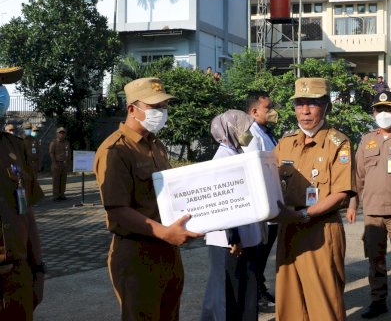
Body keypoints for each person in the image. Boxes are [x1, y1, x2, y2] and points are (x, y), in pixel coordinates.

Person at [94, 77, 202, 321]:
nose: (162, 113)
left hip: (168, 250)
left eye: (164, 106)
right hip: (137, 253)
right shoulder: (116, 150)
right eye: (155, 107)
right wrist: (164, 232)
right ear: (132, 109)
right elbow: (117, 209)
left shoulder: (155, 145)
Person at [273, 77, 356, 320]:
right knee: (289, 303)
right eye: (300, 103)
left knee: (323, 305)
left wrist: (304, 214)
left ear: (326, 106)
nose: (305, 111)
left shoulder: (337, 143)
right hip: (288, 230)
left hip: (319, 230)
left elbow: (341, 192)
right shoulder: (285, 143)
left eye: (313, 103)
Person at [350, 91, 391, 321]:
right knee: (375, 259)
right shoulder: (366, 139)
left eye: (389, 109)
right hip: (372, 211)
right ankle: (378, 301)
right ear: (374, 112)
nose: (384, 114)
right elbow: (358, 176)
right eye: (380, 109)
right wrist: (352, 203)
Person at [201, 110, 263, 321]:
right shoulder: (224, 159)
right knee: (229, 294)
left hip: (243, 237)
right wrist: (233, 237)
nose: (248, 134)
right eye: (244, 130)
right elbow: (224, 203)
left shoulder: (235, 154)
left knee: (239, 290)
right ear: (230, 130)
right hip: (231, 241)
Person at [0, 67, 45, 319]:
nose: (1, 93)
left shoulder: (13, 147)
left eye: (2, 86)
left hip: (17, 277)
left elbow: (26, 212)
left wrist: (38, 269)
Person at [243, 92, 279, 309]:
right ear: (255, 111)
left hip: (271, 203)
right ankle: (253, 293)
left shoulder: (266, 132)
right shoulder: (247, 133)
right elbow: (246, 163)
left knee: (263, 253)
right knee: (256, 254)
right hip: (260, 205)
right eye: (268, 108)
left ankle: (259, 288)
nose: (272, 111)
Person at [49, 127, 70, 201]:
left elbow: (68, 153)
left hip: (64, 164)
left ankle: (62, 194)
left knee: (63, 180)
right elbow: (51, 153)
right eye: (60, 133)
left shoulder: (67, 143)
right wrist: (54, 163)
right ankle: (55, 196)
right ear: (57, 134)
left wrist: (67, 163)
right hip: (56, 163)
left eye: (63, 133)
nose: (62, 134)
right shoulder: (54, 142)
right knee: (56, 180)